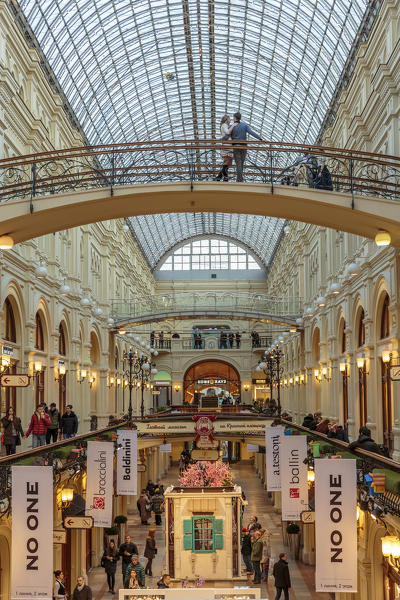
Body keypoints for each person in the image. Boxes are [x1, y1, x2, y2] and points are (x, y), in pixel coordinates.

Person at [223, 112, 263, 182]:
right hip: (244, 147)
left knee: (238, 163)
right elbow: (251, 132)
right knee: (241, 163)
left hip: (236, 147)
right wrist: (260, 138)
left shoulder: (232, 126)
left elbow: (226, 136)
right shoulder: (245, 126)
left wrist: (219, 140)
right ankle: (240, 179)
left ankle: (239, 180)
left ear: (235, 118)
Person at [215, 115, 236, 181]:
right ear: (226, 119)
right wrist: (233, 126)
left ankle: (219, 176)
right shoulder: (224, 125)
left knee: (227, 162)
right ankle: (225, 175)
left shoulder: (225, 126)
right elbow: (227, 132)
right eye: (229, 119)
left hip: (228, 145)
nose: (230, 120)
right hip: (227, 146)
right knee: (227, 162)